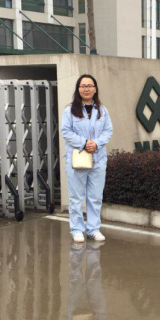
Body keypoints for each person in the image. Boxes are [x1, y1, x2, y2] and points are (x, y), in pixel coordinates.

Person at [61, 74, 113, 244]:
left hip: (98, 159)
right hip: (78, 159)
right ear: (78, 89)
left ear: (95, 89)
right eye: (83, 86)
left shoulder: (102, 110)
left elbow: (108, 131)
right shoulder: (70, 110)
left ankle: (93, 229)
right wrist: (84, 143)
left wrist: (96, 144)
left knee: (95, 197)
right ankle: (77, 230)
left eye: (90, 86)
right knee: (76, 197)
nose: (86, 89)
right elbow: (66, 131)